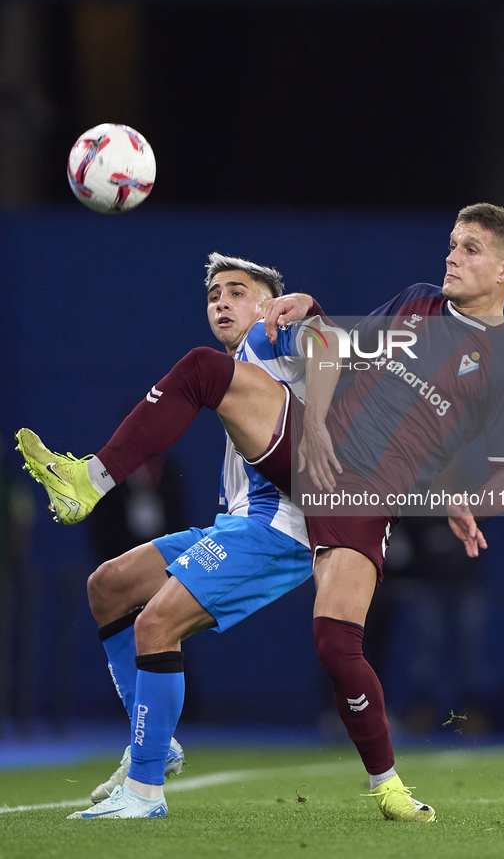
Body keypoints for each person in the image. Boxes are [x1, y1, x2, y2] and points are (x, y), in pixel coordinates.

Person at [17, 203, 504, 823]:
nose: (452, 256)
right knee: (204, 372)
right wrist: (312, 307)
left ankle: (388, 784)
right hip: (315, 449)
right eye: (453, 244)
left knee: (335, 643)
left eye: (471, 249)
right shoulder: (418, 300)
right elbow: (340, 347)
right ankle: (88, 480)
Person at [19, 253, 318, 817]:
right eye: (214, 295)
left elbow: (324, 350)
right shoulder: (242, 367)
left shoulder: (278, 342)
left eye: (237, 291)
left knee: (157, 623)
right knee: (108, 585)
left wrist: (306, 309)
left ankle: (145, 791)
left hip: (282, 529)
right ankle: (153, 743)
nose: (222, 302)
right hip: (240, 523)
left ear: (266, 302)